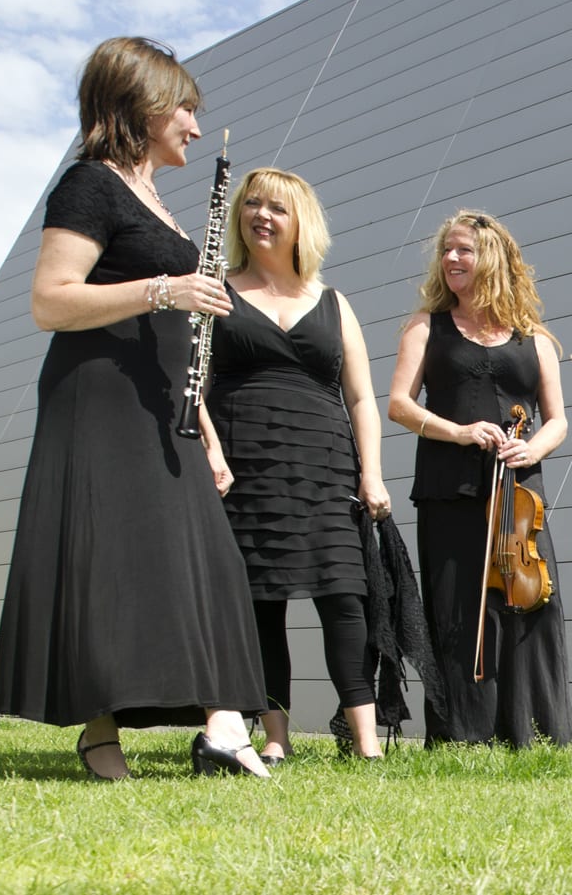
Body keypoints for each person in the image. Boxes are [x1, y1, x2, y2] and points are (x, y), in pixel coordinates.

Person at [0, 36, 269, 779]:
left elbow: (175, 343)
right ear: (143, 104)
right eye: (185, 108)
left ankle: (220, 723)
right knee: (111, 561)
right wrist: (165, 288)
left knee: (204, 560)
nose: (196, 127)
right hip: (100, 403)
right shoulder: (89, 184)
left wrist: (208, 431)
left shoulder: (158, 203)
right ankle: (101, 728)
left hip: (165, 413)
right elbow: (50, 300)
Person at [202, 168, 392, 762]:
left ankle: (366, 743)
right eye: (251, 204)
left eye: (276, 208)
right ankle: (275, 737)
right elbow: (193, 386)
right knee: (262, 602)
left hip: (326, 465)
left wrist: (372, 472)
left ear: (299, 223)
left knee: (344, 597)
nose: (261, 215)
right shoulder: (216, 289)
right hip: (246, 465)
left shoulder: (335, 303)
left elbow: (362, 397)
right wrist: (210, 449)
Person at [388, 210, 572, 747]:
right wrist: (460, 432)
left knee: (529, 604)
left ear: (492, 257)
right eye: (446, 250)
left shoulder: (534, 338)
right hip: (451, 485)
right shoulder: (427, 326)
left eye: (463, 250)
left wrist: (529, 447)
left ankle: (534, 731)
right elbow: (400, 405)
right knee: (457, 608)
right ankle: (461, 733)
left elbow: (558, 420)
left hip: (520, 493)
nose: (450, 259)